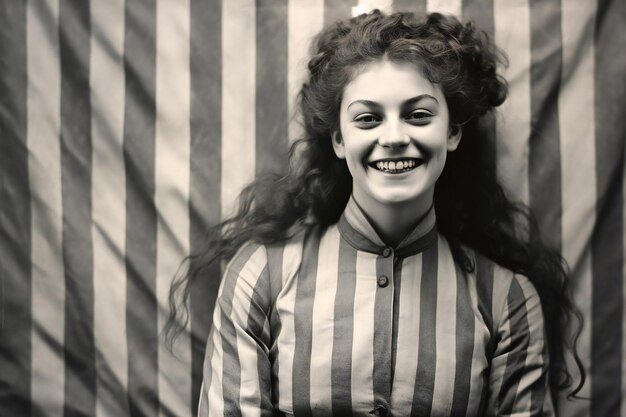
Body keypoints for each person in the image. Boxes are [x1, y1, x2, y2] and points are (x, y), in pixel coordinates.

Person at [166, 10, 584, 416]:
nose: (394, 137)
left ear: (453, 131)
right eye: (367, 119)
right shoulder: (260, 279)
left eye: (418, 115)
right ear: (339, 139)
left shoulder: (507, 301)